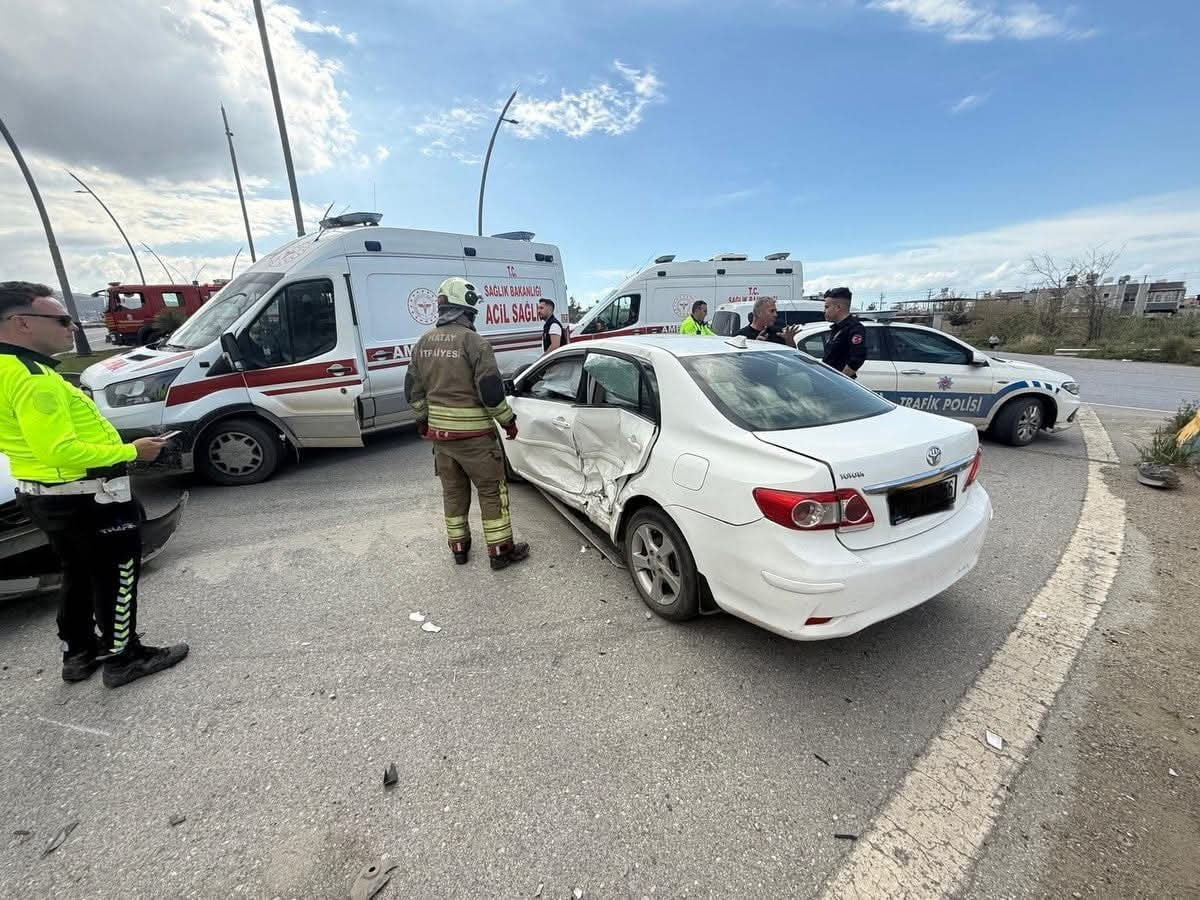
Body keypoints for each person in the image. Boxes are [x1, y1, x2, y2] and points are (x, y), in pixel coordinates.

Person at [0, 281, 189, 687]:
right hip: (86, 497)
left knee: (78, 573)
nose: (72, 327)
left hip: (43, 493)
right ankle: (125, 658)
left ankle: (78, 653)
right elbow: (60, 450)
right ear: (20, 323)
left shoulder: (7, 369)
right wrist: (131, 452)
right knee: (117, 574)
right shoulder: (35, 380)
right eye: (61, 319)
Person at [405, 277, 529, 570]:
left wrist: (422, 422)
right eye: (473, 313)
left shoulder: (422, 343)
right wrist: (508, 421)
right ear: (467, 310)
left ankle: (459, 548)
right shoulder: (476, 343)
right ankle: (500, 552)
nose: (474, 318)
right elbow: (490, 390)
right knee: (491, 491)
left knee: (453, 492)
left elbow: (413, 389)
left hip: (442, 441)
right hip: (475, 439)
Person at [820, 287, 867, 378]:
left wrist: (840, 379)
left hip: (837, 384)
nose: (824, 311)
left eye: (827, 307)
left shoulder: (854, 328)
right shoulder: (837, 328)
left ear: (838, 307)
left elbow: (857, 358)